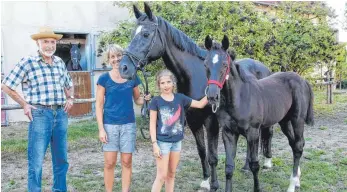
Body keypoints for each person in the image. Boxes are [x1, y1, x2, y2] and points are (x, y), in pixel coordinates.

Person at [1, 26, 74, 192]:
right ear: (38, 43)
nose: (49, 45)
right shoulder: (28, 61)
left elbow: (69, 84)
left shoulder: (59, 62)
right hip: (40, 115)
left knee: (61, 159)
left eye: (52, 42)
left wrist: (70, 98)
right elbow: (6, 85)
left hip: (61, 115)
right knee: (36, 162)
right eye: (45, 41)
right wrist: (24, 104)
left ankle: (60, 189)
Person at [96, 44, 151, 192]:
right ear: (109, 60)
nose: (116, 59)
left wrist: (145, 99)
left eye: (118, 56)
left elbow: (137, 99)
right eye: (112, 57)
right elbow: (99, 105)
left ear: (123, 56)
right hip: (109, 125)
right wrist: (101, 129)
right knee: (109, 162)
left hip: (128, 124)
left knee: (127, 161)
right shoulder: (103, 79)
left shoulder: (132, 76)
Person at [149, 69, 208, 192]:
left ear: (173, 83)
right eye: (163, 83)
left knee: (171, 174)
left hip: (177, 143)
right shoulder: (156, 101)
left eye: (168, 82)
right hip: (162, 143)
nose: (166, 85)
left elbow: (200, 104)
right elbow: (152, 124)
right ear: (158, 85)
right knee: (161, 176)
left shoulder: (181, 98)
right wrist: (154, 144)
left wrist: (212, 91)